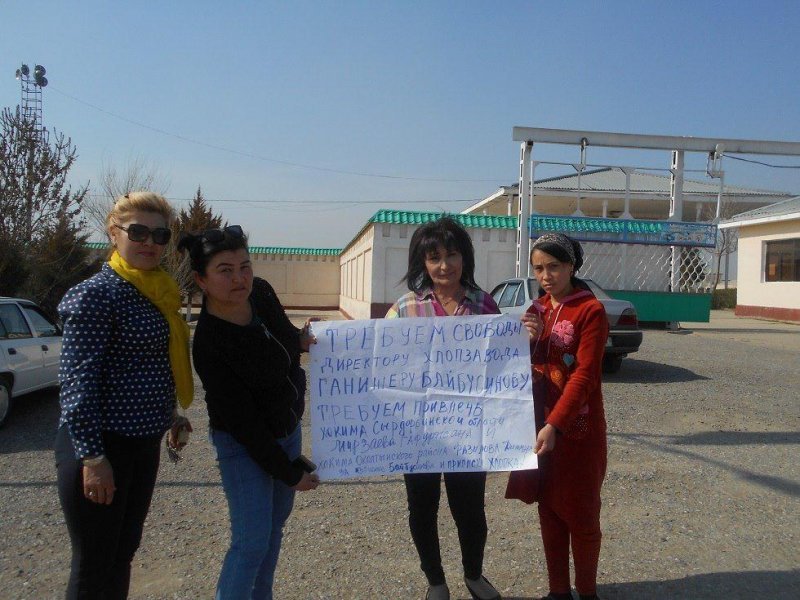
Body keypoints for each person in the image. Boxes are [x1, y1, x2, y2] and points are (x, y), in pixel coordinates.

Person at [55, 191, 194, 599]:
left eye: (160, 235)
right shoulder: (97, 294)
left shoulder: (157, 291)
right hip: (101, 448)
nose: (150, 242)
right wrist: (93, 459)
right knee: (94, 564)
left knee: (122, 554)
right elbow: (77, 383)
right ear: (113, 233)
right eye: (138, 232)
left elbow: (151, 366)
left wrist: (170, 414)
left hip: (141, 445)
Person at [180, 225, 319, 600]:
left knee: (272, 532)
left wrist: (303, 339)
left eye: (245, 266)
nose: (239, 278)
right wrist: (288, 473)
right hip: (243, 446)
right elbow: (245, 426)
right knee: (251, 542)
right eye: (225, 270)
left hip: (287, 432)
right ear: (201, 280)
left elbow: (285, 336)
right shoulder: (210, 343)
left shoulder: (261, 292)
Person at [385, 216, 502, 600]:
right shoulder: (404, 308)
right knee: (422, 509)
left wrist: (525, 339)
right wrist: (327, 343)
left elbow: (503, 362)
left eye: (452, 255)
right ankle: (435, 582)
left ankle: (474, 575)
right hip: (417, 432)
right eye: (434, 257)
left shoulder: (484, 304)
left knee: (470, 510)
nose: (444, 265)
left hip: (468, 429)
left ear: (465, 258)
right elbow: (376, 356)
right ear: (422, 262)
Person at [506, 233, 608, 600]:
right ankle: (558, 591)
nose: (545, 276)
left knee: (581, 514)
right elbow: (521, 368)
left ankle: (588, 591)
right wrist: (526, 341)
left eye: (553, 267)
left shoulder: (590, 311)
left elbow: (585, 375)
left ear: (571, 266)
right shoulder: (536, 310)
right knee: (549, 510)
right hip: (537, 427)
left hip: (577, 431)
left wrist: (555, 423)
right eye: (538, 269)